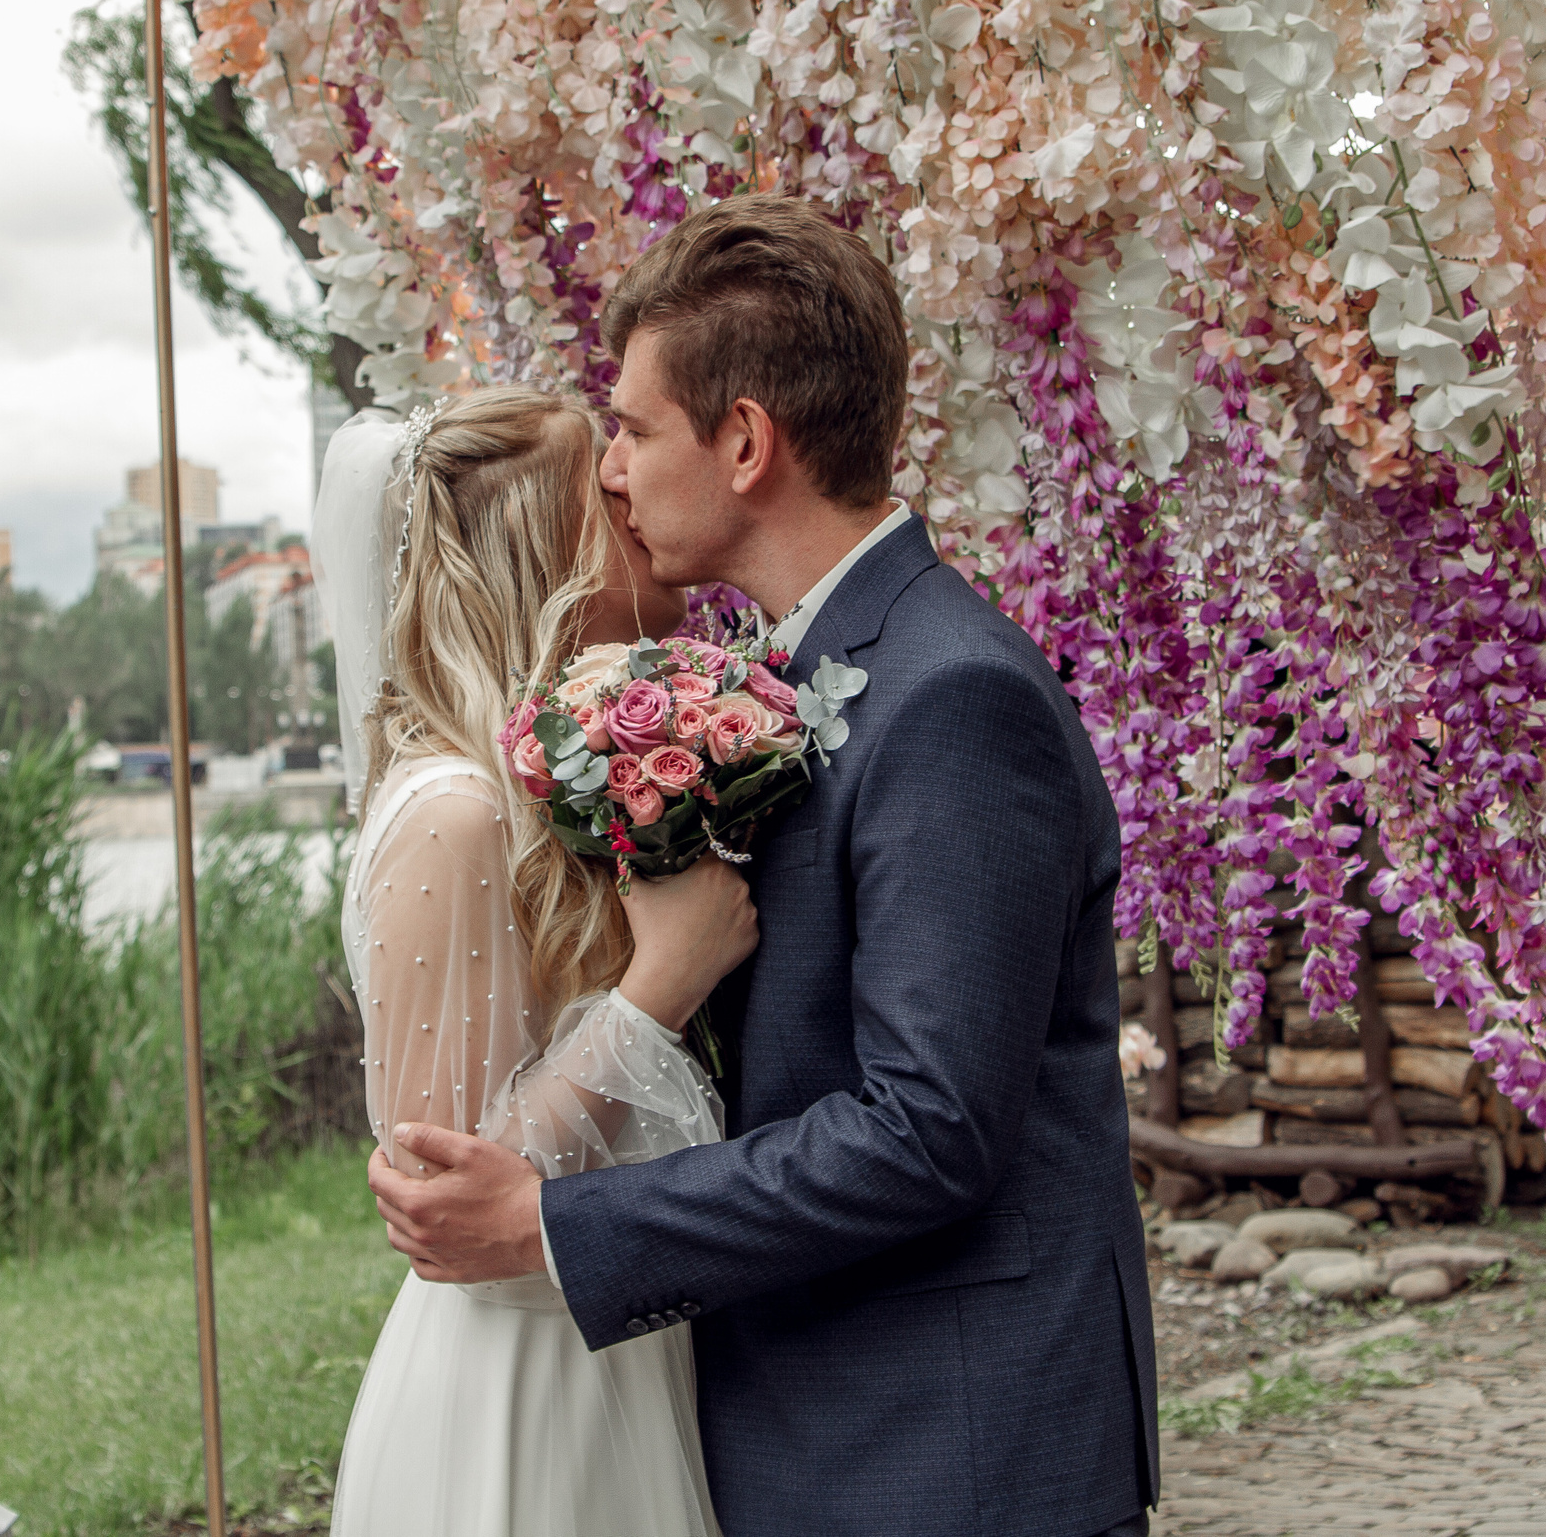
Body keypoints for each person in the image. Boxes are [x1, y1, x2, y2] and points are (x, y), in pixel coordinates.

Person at [365, 197, 1159, 1537]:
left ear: (743, 442)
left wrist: (565, 1225)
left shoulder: (955, 695)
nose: (608, 470)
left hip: (945, 1452)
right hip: (815, 1428)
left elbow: (927, 1128)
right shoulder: (788, 680)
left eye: (630, 428)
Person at [311, 382, 759, 1537]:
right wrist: (661, 986)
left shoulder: (544, 789)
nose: (636, 495)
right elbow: (452, 1202)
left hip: (615, 1357)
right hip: (519, 1400)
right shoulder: (451, 813)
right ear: (546, 555)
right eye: (603, 498)